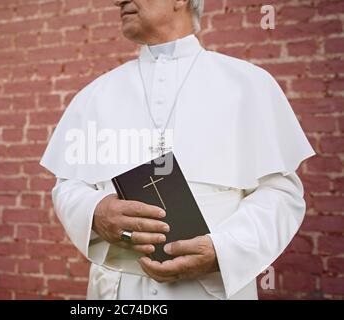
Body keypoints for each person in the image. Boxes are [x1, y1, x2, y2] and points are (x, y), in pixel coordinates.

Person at [40, 0, 315, 299]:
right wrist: (95, 212)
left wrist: (223, 250)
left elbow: (280, 193)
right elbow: (68, 185)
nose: (118, 1)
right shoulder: (96, 93)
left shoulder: (248, 85)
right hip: (118, 292)